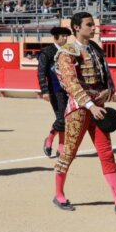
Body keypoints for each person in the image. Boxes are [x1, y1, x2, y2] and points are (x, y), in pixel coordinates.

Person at [51, 12, 116, 214]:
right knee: (69, 153)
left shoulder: (95, 49)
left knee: (106, 152)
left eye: (94, 25)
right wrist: (90, 105)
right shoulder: (67, 51)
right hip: (79, 108)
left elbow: (106, 76)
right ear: (76, 27)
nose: (94, 28)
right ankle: (58, 194)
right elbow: (70, 82)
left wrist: (107, 91)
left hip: (97, 107)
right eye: (89, 25)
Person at [37, 26, 72, 157]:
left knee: (67, 119)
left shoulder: (69, 51)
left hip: (69, 89)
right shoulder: (47, 51)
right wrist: (44, 90)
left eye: (66, 36)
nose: (65, 38)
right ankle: (52, 139)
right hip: (55, 89)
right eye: (62, 35)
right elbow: (41, 72)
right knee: (62, 118)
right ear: (55, 37)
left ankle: (59, 144)